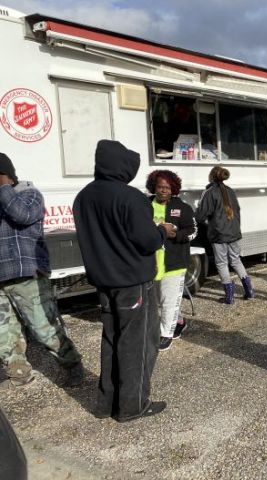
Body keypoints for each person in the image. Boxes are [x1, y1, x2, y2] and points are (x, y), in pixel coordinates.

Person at [73, 140, 173, 422]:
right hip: (132, 280)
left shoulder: (84, 197)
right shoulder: (130, 198)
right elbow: (147, 241)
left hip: (103, 281)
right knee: (138, 343)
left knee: (112, 339)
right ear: (123, 166)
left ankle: (106, 402)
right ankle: (133, 405)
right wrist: (162, 231)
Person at [0, 153, 83, 388]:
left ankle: (73, 365)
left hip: (27, 275)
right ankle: (19, 372)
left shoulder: (29, 194)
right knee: (4, 334)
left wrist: (4, 187)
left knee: (44, 327)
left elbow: (22, 215)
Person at [146, 170, 197, 351]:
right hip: (151, 262)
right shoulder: (145, 205)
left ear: (173, 188)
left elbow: (193, 231)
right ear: (154, 186)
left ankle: (166, 334)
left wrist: (176, 235)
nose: (163, 191)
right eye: (160, 187)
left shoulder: (182, 207)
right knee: (161, 299)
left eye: (167, 187)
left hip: (174, 262)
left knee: (168, 300)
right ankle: (180, 321)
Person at [195, 166, 254, 305]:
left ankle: (229, 296)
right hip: (233, 232)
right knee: (235, 260)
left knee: (221, 263)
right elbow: (237, 211)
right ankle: (249, 290)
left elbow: (201, 214)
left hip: (218, 233)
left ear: (211, 177)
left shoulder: (209, 192)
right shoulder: (230, 191)